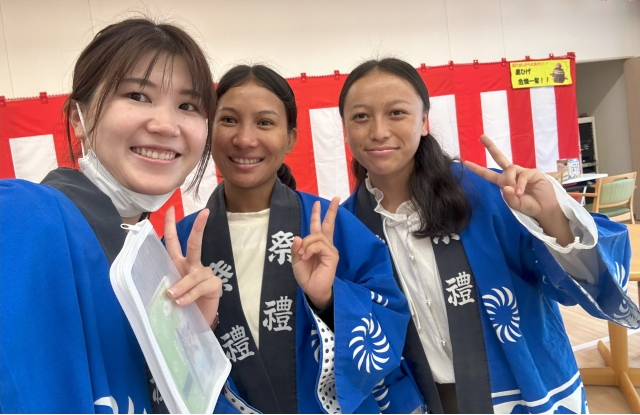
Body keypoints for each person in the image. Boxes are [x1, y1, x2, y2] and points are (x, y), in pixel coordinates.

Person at [338, 58, 639, 414]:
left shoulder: (487, 194)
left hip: (519, 390)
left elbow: (574, 286)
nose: (378, 131)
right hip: (423, 401)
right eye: (361, 116)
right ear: (345, 128)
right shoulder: (347, 227)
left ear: (424, 121)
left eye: (397, 113)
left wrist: (552, 217)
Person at [0, 18, 233, 413]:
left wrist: (193, 332)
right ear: (78, 117)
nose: (165, 125)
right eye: (137, 96)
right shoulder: (23, 216)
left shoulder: (148, 259)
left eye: (188, 106)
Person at [175, 64, 424, 414]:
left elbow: (390, 318)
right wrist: (199, 324)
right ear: (208, 130)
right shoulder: (183, 242)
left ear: (290, 138)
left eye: (265, 122)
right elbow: (161, 358)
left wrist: (329, 299)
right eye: (228, 120)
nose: (245, 139)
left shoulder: (331, 226)